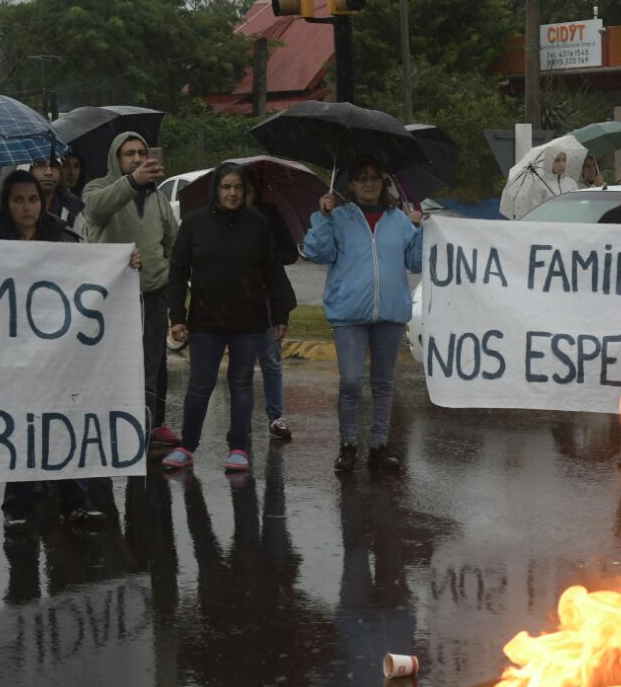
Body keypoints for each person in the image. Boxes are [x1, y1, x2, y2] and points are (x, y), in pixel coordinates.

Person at [0, 169, 106, 529]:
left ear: (42, 202)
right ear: (6, 204)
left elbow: (92, 271)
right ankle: (16, 506)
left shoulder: (60, 237)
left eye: (32, 199)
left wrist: (125, 264)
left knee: (62, 420)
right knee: (19, 424)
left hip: (55, 348)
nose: (27, 207)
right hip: (11, 349)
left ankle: (75, 502)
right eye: (18, 200)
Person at [160, 162, 293, 473]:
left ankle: (238, 447)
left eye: (238, 187)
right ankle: (187, 445)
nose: (232, 193)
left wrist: (280, 313)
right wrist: (177, 316)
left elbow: (274, 271)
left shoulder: (258, 225)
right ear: (216, 190)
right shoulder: (194, 223)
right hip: (205, 321)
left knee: (242, 384)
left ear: (245, 191)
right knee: (200, 385)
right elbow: (177, 271)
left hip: (249, 321)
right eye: (226, 187)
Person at [303, 157, 423, 474]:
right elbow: (317, 253)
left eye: (374, 178)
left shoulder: (398, 220)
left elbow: (416, 261)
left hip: (390, 313)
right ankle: (348, 445)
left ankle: (379, 447)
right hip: (348, 313)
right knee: (352, 382)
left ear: (383, 183)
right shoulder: (338, 217)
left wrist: (417, 228)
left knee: (383, 384)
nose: (368, 183)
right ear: (351, 185)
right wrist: (323, 217)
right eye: (361, 178)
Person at [83, 132, 180, 448]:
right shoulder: (98, 188)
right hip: (111, 301)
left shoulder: (157, 198)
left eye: (141, 152)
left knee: (152, 368)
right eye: (129, 154)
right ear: (116, 158)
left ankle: (150, 429)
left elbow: (172, 242)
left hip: (151, 297)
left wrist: (164, 275)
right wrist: (132, 182)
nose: (137, 158)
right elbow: (95, 210)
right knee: (111, 368)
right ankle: (109, 433)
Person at [245, 168, 299, 441]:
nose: (238, 194)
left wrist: (265, 254)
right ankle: (241, 421)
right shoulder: (222, 219)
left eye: (245, 189)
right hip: (234, 301)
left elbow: (290, 253)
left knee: (270, 360)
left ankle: (276, 417)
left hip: (268, 298)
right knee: (241, 364)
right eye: (231, 188)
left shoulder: (269, 215)